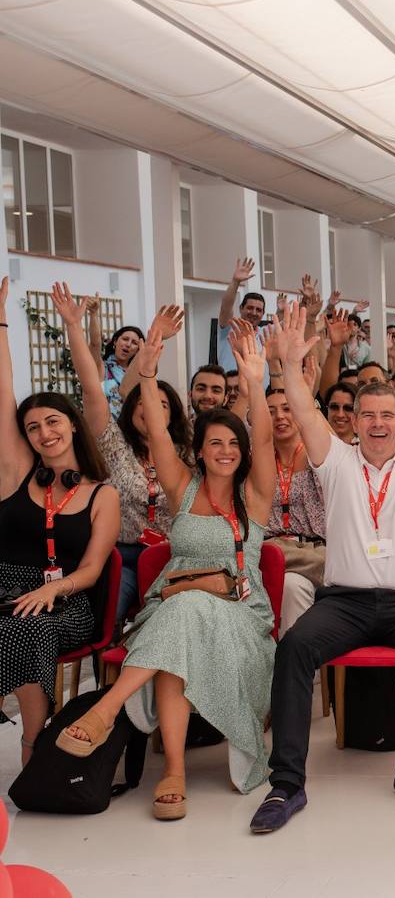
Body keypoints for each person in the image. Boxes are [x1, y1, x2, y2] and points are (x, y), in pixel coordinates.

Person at [250, 300, 395, 833]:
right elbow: (303, 411)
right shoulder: (336, 462)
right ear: (352, 421)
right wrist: (286, 365)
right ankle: (287, 783)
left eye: (386, 415)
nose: (376, 423)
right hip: (345, 601)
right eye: (366, 414)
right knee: (296, 648)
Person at [57, 325, 277, 820]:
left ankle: (109, 708)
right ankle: (172, 768)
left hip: (240, 609)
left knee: (183, 617)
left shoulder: (254, 496)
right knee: (180, 622)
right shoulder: (181, 486)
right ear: (198, 450)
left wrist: (254, 382)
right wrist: (150, 371)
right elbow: (156, 429)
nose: (225, 450)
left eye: (233, 444)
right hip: (173, 601)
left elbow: (263, 438)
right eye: (214, 442)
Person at [0, 279, 119, 767]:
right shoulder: (16, 475)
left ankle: (32, 743)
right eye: (32, 427)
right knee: (15, 619)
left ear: (71, 424)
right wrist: (2, 321)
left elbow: (94, 569)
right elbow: (3, 392)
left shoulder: (100, 493)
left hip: (66, 600)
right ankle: (39, 732)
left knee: (27, 625)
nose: (43, 433)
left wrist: (54, 590)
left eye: (52, 421)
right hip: (7, 587)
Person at [54, 283, 191, 625]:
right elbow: (91, 387)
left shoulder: (187, 455)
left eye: (160, 405)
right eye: (143, 403)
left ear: (172, 414)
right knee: (107, 614)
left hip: (177, 559)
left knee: (174, 621)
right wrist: (74, 325)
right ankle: (108, 676)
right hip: (125, 557)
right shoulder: (114, 446)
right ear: (130, 410)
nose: (151, 410)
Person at [263, 387, 328, 634]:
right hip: (271, 551)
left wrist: (309, 402)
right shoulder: (257, 459)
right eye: (270, 411)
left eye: (287, 409)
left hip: (314, 549)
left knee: (293, 585)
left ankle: (299, 670)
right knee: (287, 583)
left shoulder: (318, 456)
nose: (279, 416)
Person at [215, 257, 265, 368]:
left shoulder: (265, 334)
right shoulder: (229, 329)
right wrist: (235, 282)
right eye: (250, 308)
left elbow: (288, 322)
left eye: (258, 310)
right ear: (241, 308)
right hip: (230, 384)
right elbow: (226, 307)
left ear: (263, 314)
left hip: (258, 385)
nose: (254, 312)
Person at [100, 324, 143, 418]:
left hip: (129, 425)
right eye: (125, 339)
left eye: (134, 343)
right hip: (103, 424)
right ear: (115, 341)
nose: (128, 344)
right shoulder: (101, 366)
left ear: (138, 350)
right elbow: (94, 345)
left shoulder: (139, 374)